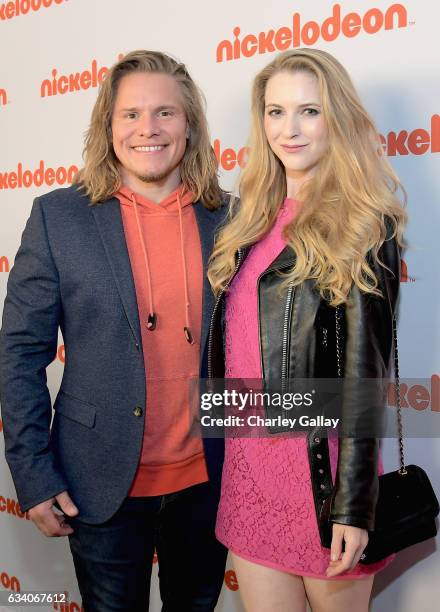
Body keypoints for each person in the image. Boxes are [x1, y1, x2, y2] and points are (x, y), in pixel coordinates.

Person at [0, 50, 228, 611]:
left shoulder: (232, 219)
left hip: (212, 480)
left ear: (190, 125)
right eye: (130, 114)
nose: (147, 129)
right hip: (97, 481)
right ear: (108, 125)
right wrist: (31, 472)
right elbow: (20, 351)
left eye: (165, 113)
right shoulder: (59, 217)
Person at [207, 48, 407, 612]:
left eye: (308, 111)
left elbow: (368, 374)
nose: (288, 129)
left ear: (336, 118)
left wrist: (353, 504)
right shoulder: (247, 221)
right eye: (275, 112)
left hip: (320, 478)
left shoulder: (366, 221)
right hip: (250, 476)